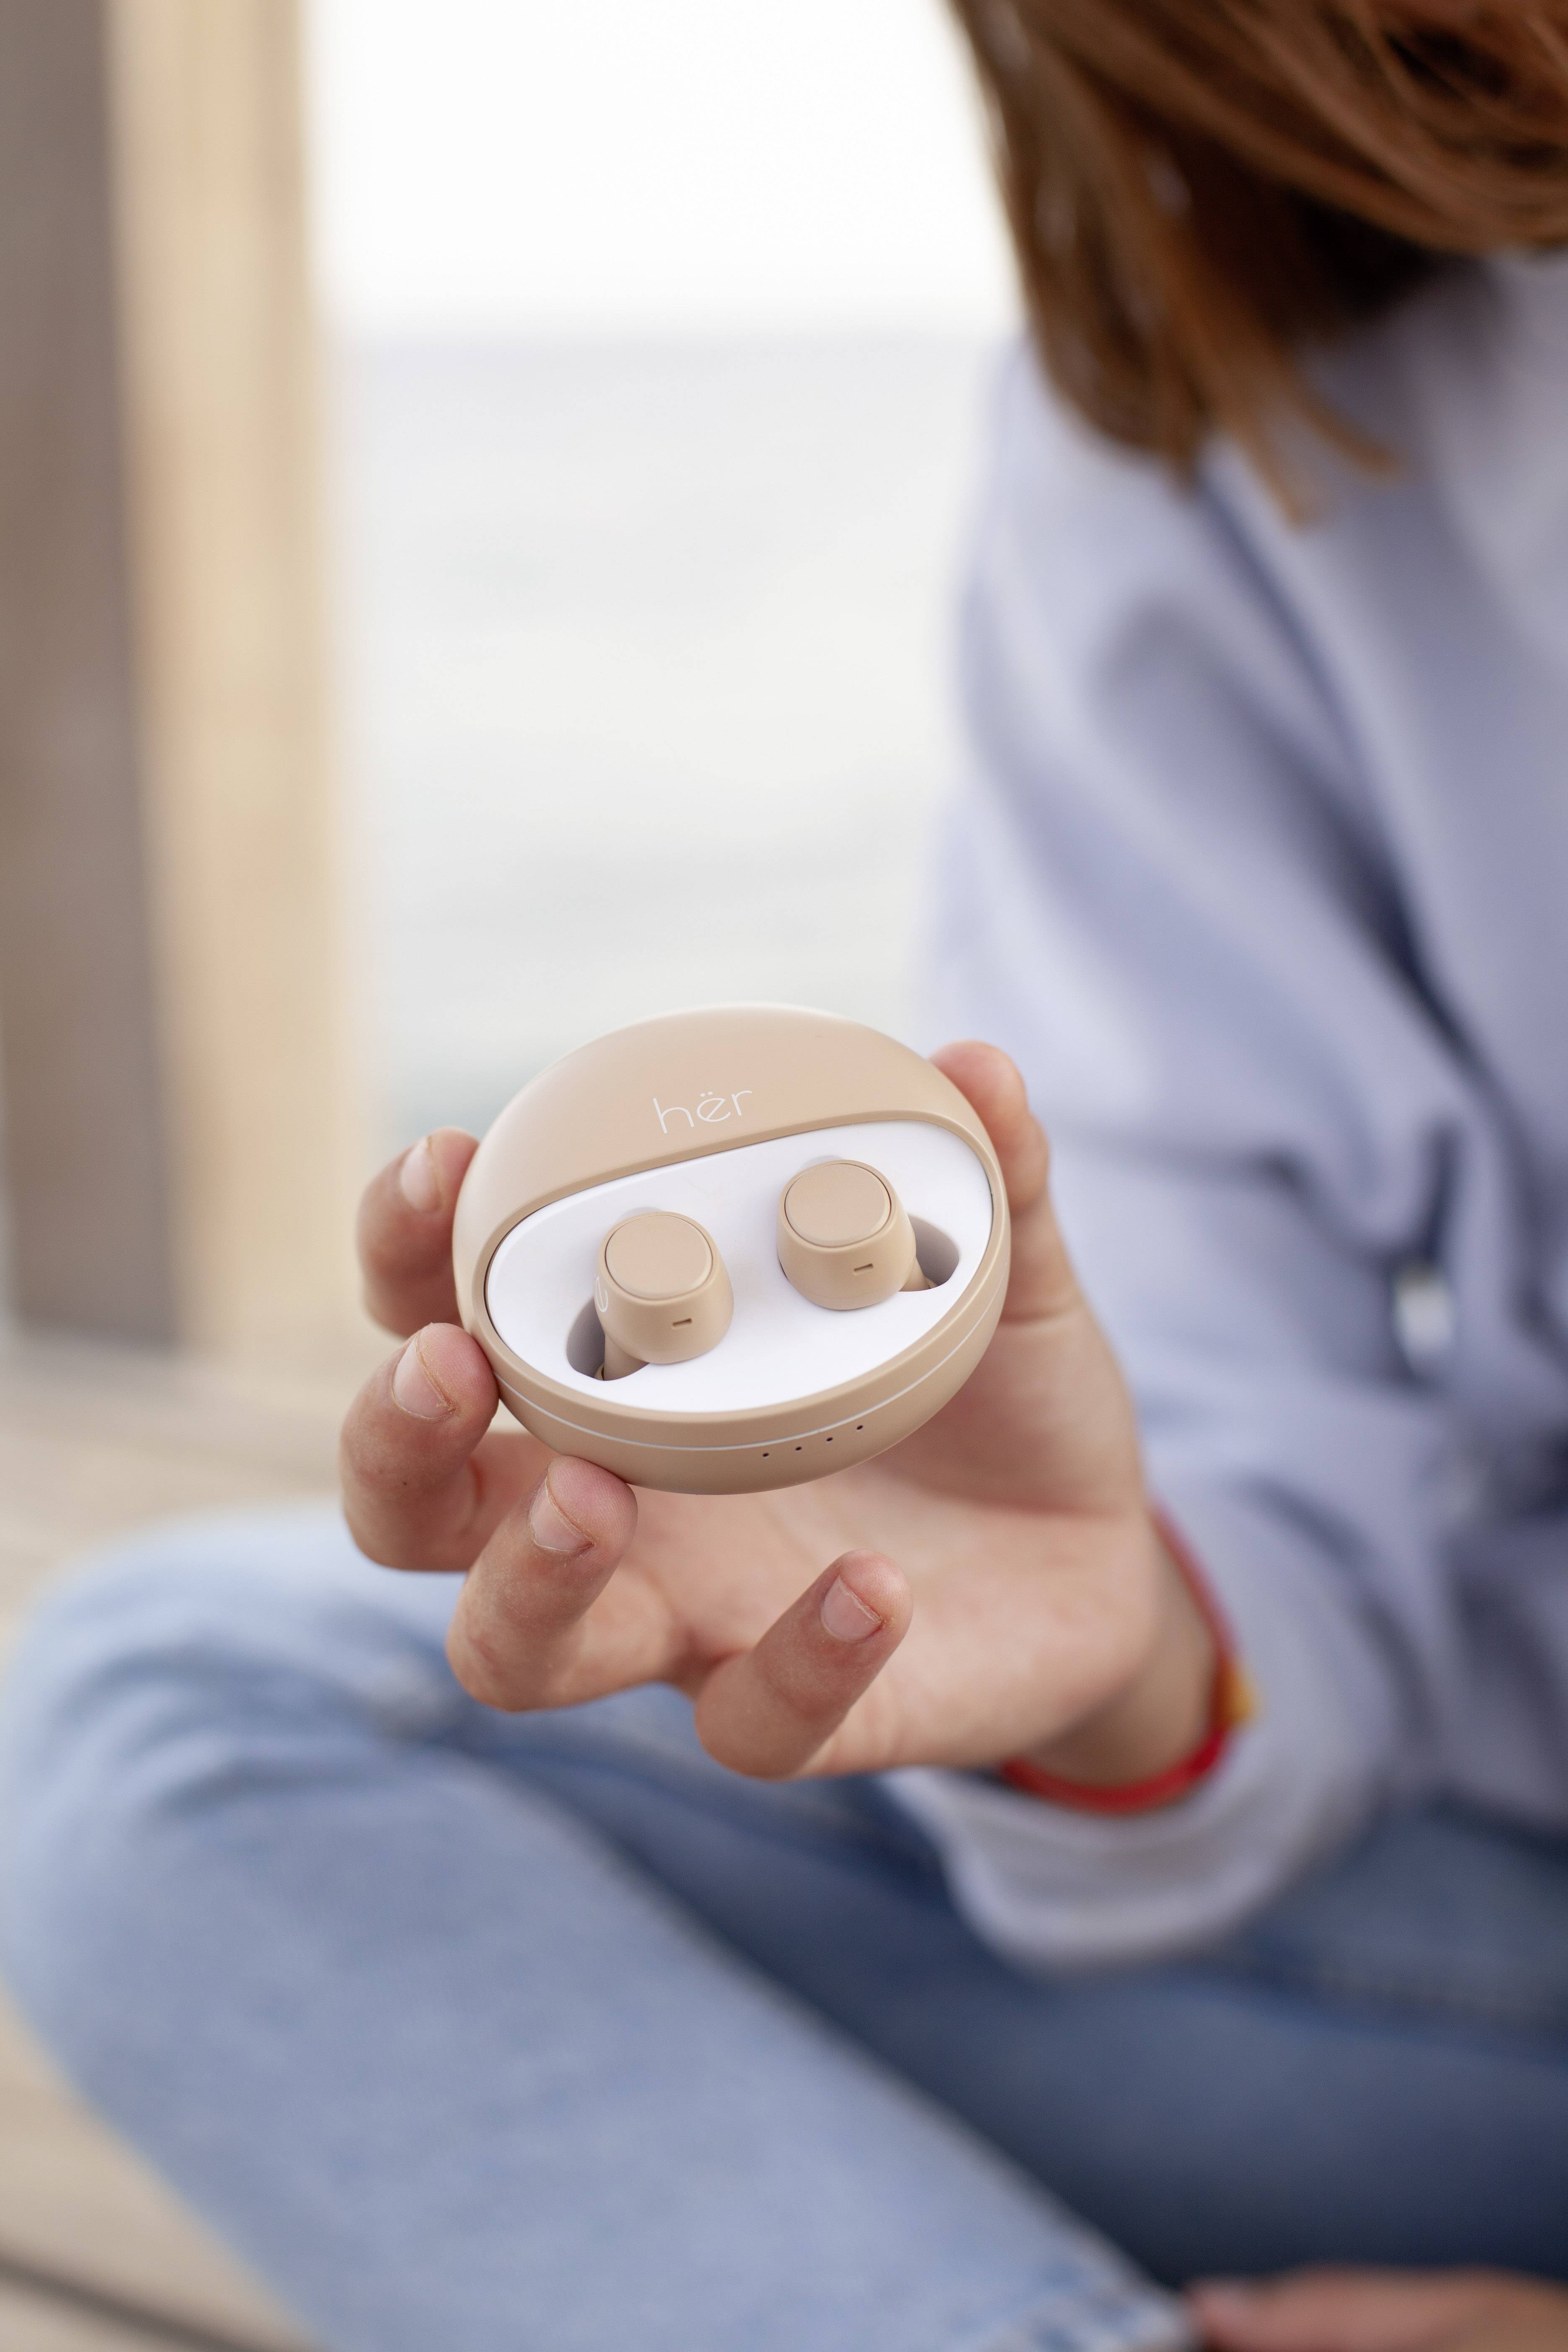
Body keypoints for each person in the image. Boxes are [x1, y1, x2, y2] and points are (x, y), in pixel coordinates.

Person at [3, 4, 1568, 2349]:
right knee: (168, 1722)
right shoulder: (1235, 341)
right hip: (1494, 1968)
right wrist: (1118, 1642)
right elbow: (1259, 1459)